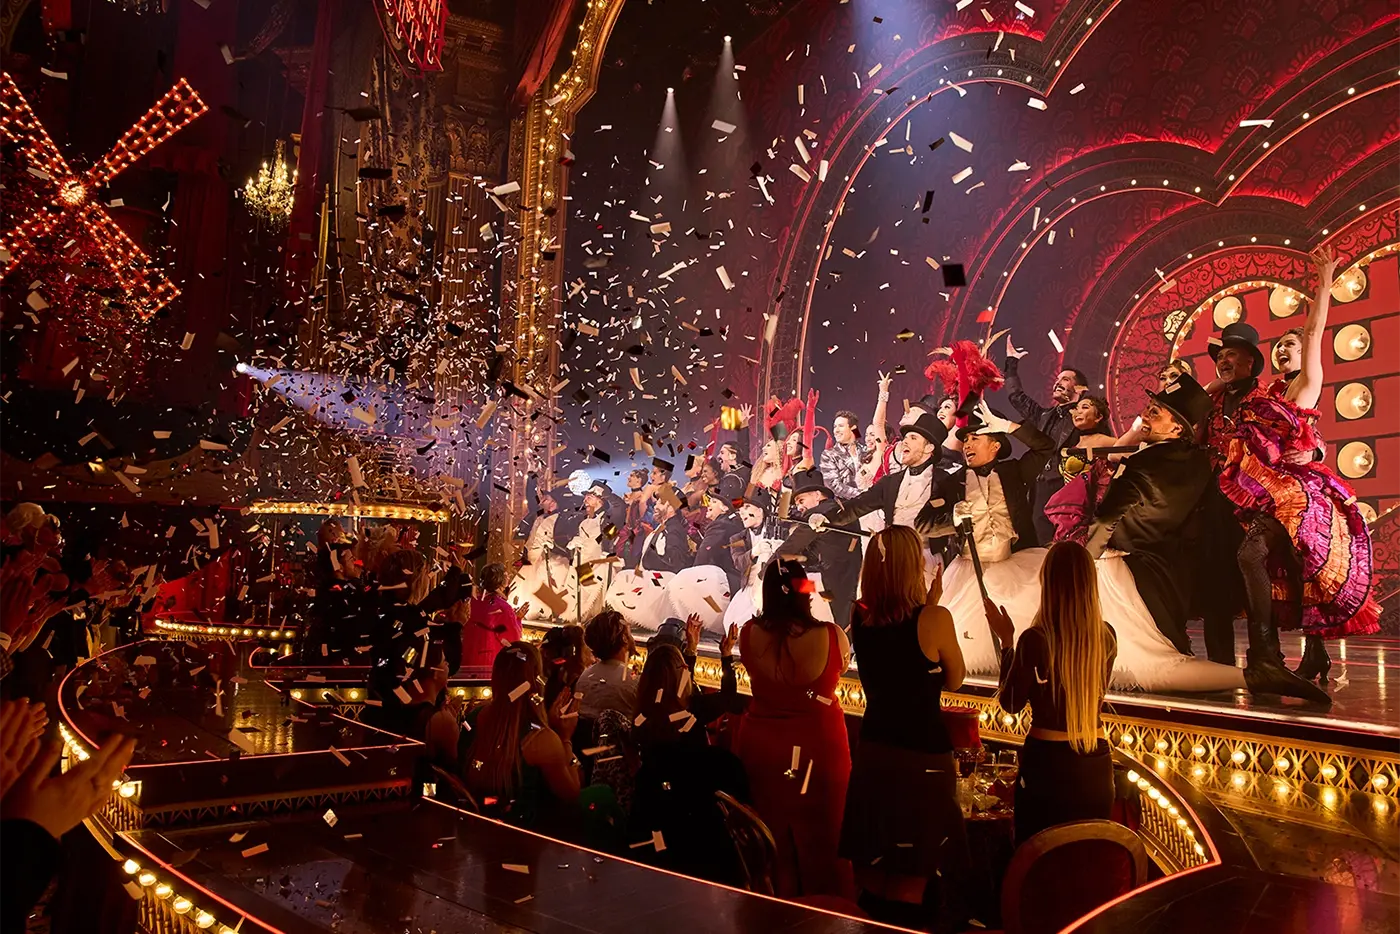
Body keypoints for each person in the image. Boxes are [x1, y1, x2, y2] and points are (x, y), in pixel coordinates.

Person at [1200, 313, 1361, 704]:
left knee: (1295, 564)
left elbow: (1299, 430)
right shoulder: (1224, 396)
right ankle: (1230, 665)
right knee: (1223, 579)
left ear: (1251, 361)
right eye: (1221, 354)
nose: (1225, 360)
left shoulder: (1267, 397)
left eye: (1233, 354)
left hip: (1274, 493)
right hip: (1219, 496)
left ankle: (1273, 654)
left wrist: (1315, 449)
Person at [1249, 247, 1378, 683]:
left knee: (1302, 564)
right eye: (1280, 346)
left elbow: (1316, 327)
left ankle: (1295, 651)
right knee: (1283, 568)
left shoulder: (1309, 381)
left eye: (1292, 344)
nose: (1285, 350)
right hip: (1269, 490)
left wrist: (1324, 279)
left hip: (1303, 493)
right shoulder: (1270, 392)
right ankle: (1300, 654)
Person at [841, 528, 968, 931]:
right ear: (914, 565)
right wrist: (931, 609)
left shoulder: (858, 616)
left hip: (875, 751)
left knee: (874, 873)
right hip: (922, 758)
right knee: (914, 875)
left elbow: (894, 647)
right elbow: (954, 680)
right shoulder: (934, 619)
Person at [733, 560, 853, 898]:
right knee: (826, 839)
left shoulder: (748, 633)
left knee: (768, 837)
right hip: (819, 749)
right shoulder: (831, 635)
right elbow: (838, 671)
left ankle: (771, 909)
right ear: (805, 592)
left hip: (763, 748)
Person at [989, 542, 1116, 843]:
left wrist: (1007, 643)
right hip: (1096, 762)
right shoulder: (1105, 636)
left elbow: (1010, 703)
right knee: (1087, 857)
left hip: (1048, 766)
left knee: (1039, 858)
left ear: (1048, 582)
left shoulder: (1035, 639)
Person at [629, 641, 750, 884]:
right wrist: (726, 657)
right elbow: (727, 696)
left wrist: (690, 654)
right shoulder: (693, 709)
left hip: (657, 815)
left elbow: (675, 684)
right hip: (699, 817)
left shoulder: (642, 718)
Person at [461, 642, 582, 830]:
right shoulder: (541, 740)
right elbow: (572, 792)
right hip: (522, 838)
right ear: (537, 681)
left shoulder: (473, 718)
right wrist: (565, 738)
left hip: (473, 826)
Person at [809, 412, 949, 554]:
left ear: (929, 448)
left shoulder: (944, 482)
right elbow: (859, 504)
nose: (905, 441)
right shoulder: (890, 482)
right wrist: (828, 518)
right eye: (905, 437)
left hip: (927, 558)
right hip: (894, 555)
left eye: (913, 438)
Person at [1003, 334, 1089, 544]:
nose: (1058, 383)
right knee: (1039, 540)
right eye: (1057, 379)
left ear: (1079, 389)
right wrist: (1011, 363)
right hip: (1039, 486)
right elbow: (1016, 397)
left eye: (1065, 379)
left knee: (1065, 542)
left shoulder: (1087, 417)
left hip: (1067, 486)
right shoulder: (1043, 415)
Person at [772, 469, 863, 627]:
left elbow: (791, 546)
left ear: (817, 495)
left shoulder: (820, 513)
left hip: (828, 581)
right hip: (844, 577)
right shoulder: (838, 508)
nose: (799, 507)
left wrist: (766, 571)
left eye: (801, 500)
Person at [576, 610, 638, 720]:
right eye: (629, 633)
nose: (633, 639)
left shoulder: (584, 677)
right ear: (624, 638)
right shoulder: (633, 682)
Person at [462, 563, 521, 673]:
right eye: (506, 575)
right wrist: (518, 619)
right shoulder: (503, 607)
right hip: (489, 660)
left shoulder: (473, 601)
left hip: (469, 655)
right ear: (499, 580)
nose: (508, 577)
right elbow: (512, 638)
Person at [819, 410, 867, 503]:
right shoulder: (829, 455)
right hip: (846, 508)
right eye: (834, 427)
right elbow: (833, 485)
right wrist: (862, 494)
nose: (836, 430)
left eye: (840, 426)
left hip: (871, 507)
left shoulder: (866, 451)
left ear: (853, 429)